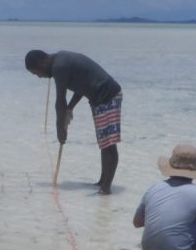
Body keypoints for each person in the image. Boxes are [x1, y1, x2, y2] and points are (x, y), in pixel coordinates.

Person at [24, 49, 122, 193]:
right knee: (103, 142)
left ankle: (106, 189)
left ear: (42, 62)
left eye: (36, 72)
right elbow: (83, 85)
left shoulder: (59, 67)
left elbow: (60, 100)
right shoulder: (60, 60)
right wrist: (70, 108)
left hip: (107, 95)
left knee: (109, 143)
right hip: (98, 98)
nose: (39, 76)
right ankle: (103, 182)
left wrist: (60, 128)